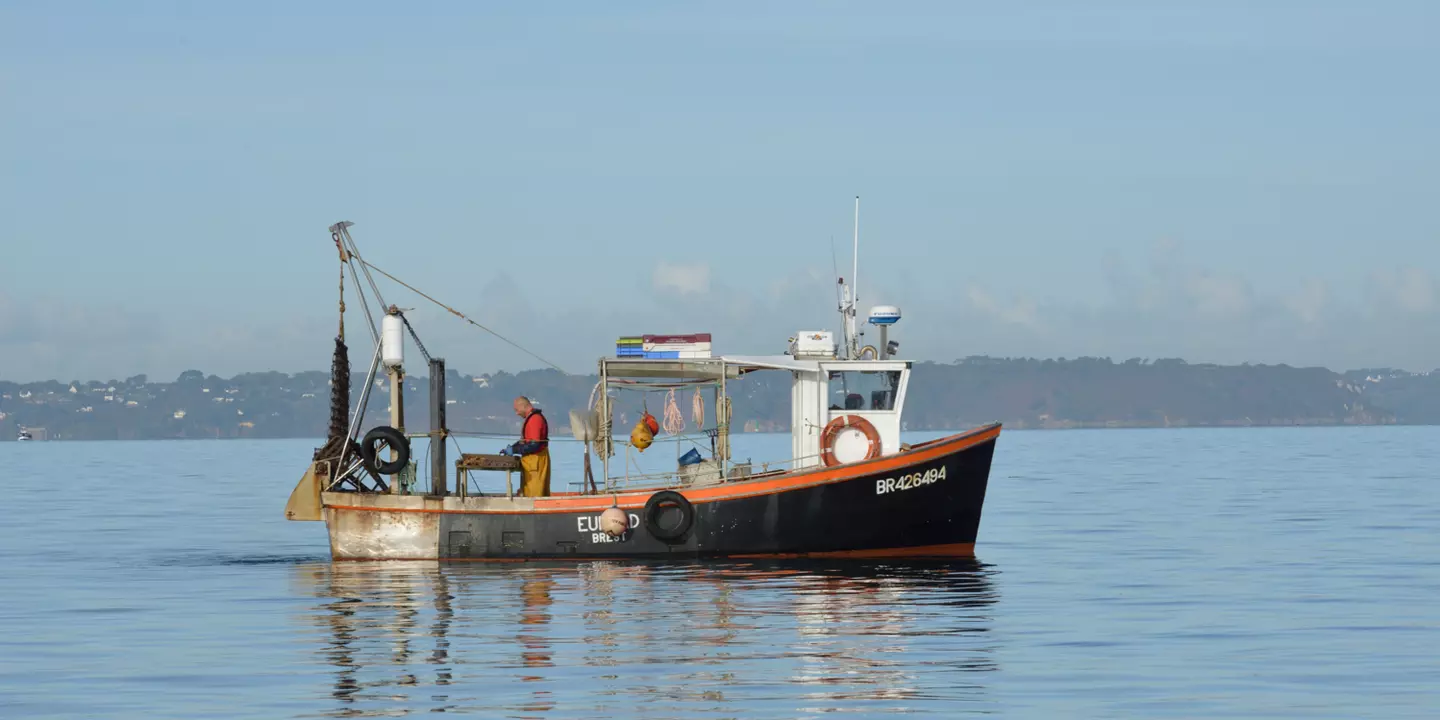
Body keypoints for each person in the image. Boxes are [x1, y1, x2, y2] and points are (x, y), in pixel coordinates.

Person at [501, 396, 550, 497]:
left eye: (517, 410)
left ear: (523, 406)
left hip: (536, 461)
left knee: (534, 493)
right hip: (532, 462)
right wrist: (512, 448)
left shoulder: (535, 420)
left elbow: (534, 445)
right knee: (528, 491)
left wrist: (514, 450)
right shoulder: (532, 418)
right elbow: (525, 441)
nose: (517, 413)